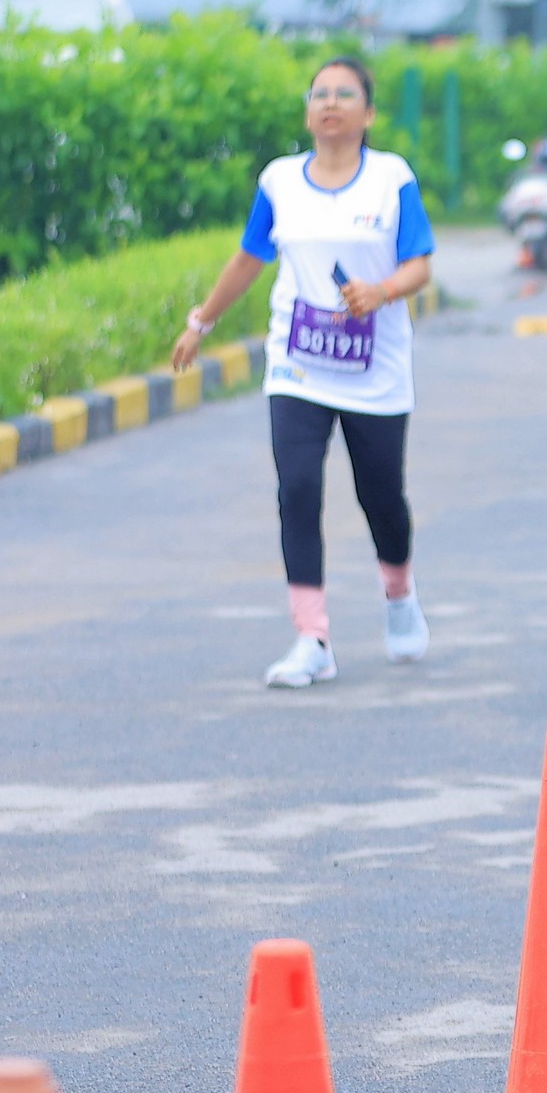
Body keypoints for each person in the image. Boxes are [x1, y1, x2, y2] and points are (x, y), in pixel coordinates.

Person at [174, 55, 437, 688]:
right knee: (296, 488)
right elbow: (249, 257)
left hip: (375, 372)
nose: (331, 103)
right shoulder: (280, 182)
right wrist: (201, 323)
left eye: (345, 94)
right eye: (320, 94)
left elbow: (420, 264)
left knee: (381, 497)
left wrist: (381, 291)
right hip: (299, 366)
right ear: (308, 113)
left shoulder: (391, 179)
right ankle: (311, 637)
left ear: (368, 114)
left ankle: (399, 594)